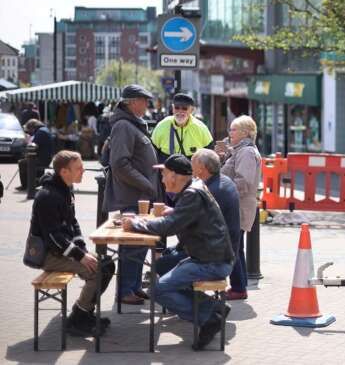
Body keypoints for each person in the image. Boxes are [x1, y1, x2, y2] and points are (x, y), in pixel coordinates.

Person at [122, 154, 234, 350]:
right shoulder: (194, 189)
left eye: (164, 174)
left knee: (157, 290)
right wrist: (174, 212)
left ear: (174, 176)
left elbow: (168, 227)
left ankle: (208, 318)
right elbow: (188, 217)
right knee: (165, 270)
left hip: (212, 262)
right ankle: (213, 307)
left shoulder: (191, 194)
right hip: (209, 258)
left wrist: (136, 223)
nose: (162, 179)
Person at [30, 151, 116, 336]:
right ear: (64, 172)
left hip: (62, 251)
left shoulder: (65, 189)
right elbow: (53, 237)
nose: (83, 171)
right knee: (98, 270)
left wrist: (82, 251)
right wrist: (80, 256)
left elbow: (73, 224)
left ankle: (84, 312)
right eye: (78, 168)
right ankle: (77, 319)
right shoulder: (47, 196)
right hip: (48, 255)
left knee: (107, 264)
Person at [103, 84, 159, 305]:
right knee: (132, 245)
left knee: (139, 245)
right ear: (132, 102)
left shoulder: (132, 124)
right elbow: (119, 164)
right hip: (133, 197)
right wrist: (147, 184)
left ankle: (133, 287)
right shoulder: (124, 126)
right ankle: (125, 290)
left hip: (140, 196)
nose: (147, 105)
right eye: (144, 101)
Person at [219, 115, 262, 300]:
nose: (230, 132)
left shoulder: (246, 152)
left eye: (234, 129)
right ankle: (240, 285)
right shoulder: (239, 150)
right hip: (237, 205)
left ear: (245, 133)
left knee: (232, 247)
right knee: (237, 248)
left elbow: (243, 182)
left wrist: (221, 189)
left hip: (239, 206)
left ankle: (238, 287)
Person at [191, 149, 243, 298]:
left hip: (218, 253)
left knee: (167, 263)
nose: (190, 166)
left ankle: (199, 304)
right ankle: (239, 288)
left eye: (192, 163)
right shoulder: (224, 181)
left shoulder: (212, 190)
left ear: (201, 168)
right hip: (226, 245)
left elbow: (194, 221)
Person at [151, 93, 213, 161]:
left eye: (184, 108)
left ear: (191, 110)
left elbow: (210, 154)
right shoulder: (162, 125)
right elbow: (152, 151)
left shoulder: (201, 128)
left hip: (192, 165)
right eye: (177, 108)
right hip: (167, 165)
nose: (180, 111)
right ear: (173, 108)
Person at [16, 119, 54, 192]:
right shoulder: (44, 129)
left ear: (32, 127)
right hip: (46, 158)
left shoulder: (40, 132)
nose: (29, 132)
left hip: (42, 159)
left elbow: (34, 146)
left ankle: (25, 185)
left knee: (22, 163)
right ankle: (35, 183)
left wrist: (27, 142)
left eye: (29, 130)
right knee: (26, 161)